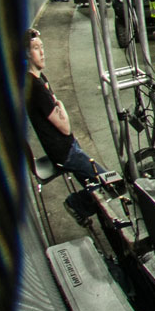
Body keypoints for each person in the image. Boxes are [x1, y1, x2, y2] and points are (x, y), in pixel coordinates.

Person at [25, 28, 108, 220]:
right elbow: (65, 127)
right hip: (65, 151)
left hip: (67, 147)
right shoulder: (36, 88)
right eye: (36, 48)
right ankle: (76, 204)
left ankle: (91, 210)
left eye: (42, 46)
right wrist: (60, 105)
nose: (42, 52)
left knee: (97, 182)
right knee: (108, 183)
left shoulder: (38, 79)